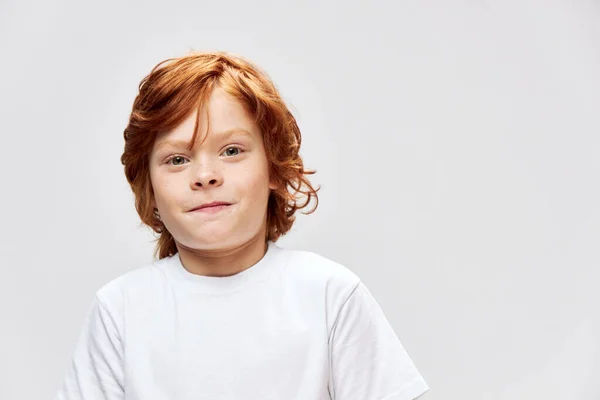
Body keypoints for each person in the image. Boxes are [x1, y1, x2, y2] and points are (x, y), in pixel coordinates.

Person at [55, 51, 429, 400]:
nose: (205, 176)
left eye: (231, 151)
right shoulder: (120, 309)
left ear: (274, 168)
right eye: (177, 159)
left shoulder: (329, 295)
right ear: (148, 186)